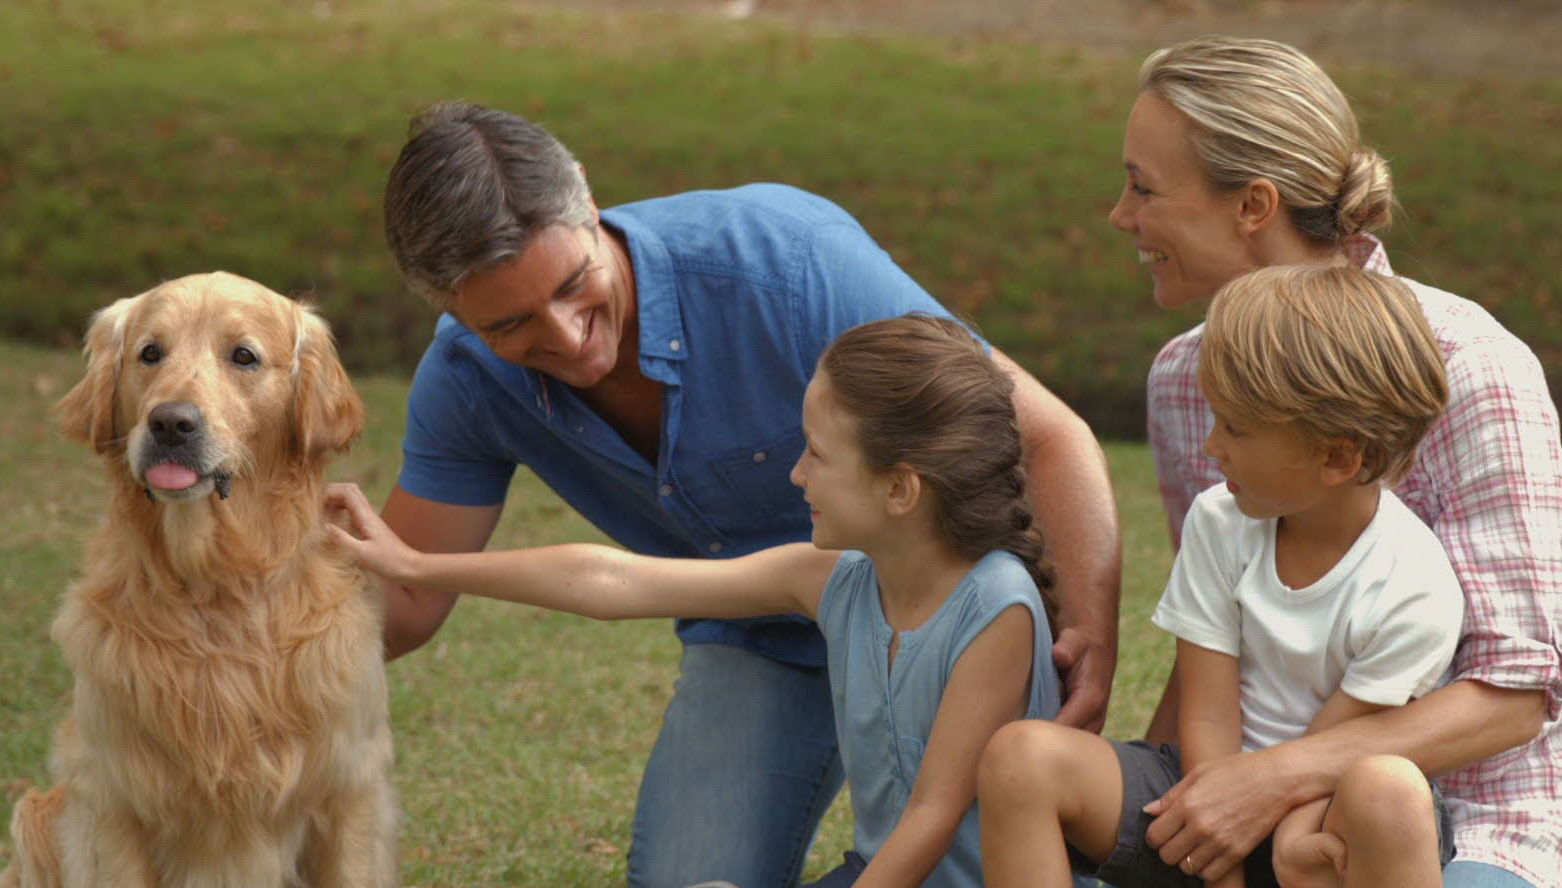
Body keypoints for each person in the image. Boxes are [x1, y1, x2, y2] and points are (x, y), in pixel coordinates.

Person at [356, 103, 1120, 887]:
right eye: (512, 324)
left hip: (930, 636)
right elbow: (595, 581)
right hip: (765, 635)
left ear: (585, 199)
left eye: (574, 284)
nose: (567, 336)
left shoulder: (786, 263)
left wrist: (1088, 640)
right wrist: (404, 564)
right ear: (449, 310)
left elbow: (1047, 436)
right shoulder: (819, 575)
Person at [1095, 37, 1562, 887]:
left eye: (1143, 188)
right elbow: (1221, 635)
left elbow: (1515, 695)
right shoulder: (1186, 378)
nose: (1121, 215)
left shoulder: (1470, 365)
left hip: (1480, 817)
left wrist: (1270, 780)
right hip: (1265, 811)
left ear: (1253, 204)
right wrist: (1176, 820)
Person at [328, 314, 1062, 887]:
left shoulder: (995, 604)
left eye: (817, 453)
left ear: (899, 489)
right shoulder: (835, 579)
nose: (796, 474)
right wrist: (416, 563)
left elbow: (931, 816)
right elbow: (613, 581)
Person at [979, 264, 1465, 888]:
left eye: (1236, 427)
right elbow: (1207, 712)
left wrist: (1292, 841)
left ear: (1337, 457)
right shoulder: (1220, 520)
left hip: (1321, 811)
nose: (1212, 446)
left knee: (1388, 788)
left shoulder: (1415, 587)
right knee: (1020, 757)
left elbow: (1326, 754)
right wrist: (1220, 867)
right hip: (1204, 788)